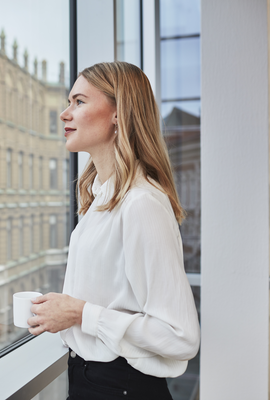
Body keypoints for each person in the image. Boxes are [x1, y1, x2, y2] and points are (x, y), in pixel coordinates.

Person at [28, 62, 200, 399]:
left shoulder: (141, 204)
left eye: (79, 102)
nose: (65, 113)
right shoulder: (101, 199)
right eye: (68, 102)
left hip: (120, 387)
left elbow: (181, 336)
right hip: (88, 378)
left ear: (118, 113)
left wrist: (80, 313)